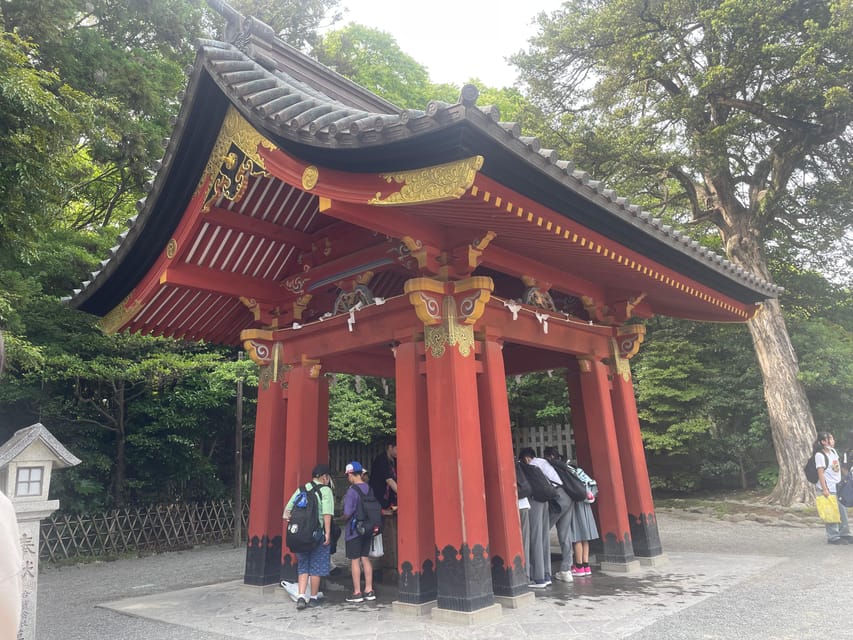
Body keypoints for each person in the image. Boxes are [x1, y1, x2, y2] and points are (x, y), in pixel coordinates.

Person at [282, 463, 335, 609]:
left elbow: (287, 511)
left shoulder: (301, 489)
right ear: (325, 477)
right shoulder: (325, 491)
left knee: (303, 565)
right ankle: (313, 597)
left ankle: (300, 597)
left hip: (300, 535)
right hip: (317, 534)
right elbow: (327, 514)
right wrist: (328, 533)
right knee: (316, 567)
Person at [519, 446, 573, 585]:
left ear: (525, 458)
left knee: (536, 536)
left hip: (546, 500)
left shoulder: (531, 465)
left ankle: (537, 576)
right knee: (560, 535)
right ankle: (559, 570)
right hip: (562, 497)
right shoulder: (543, 462)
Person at [544, 447, 599, 577]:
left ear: (550, 456)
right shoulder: (574, 469)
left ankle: (578, 565)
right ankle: (584, 566)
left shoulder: (553, 466)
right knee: (581, 537)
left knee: (577, 536)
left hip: (575, 506)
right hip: (584, 503)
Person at [341, 461, 377, 603]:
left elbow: (348, 512)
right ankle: (369, 590)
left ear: (351, 474)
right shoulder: (369, 488)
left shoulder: (352, 491)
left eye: (348, 475)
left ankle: (357, 592)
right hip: (367, 528)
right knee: (365, 558)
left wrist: (342, 517)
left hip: (354, 531)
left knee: (355, 561)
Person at [814, 432, 852, 545]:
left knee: (842, 510)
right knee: (830, 512)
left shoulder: (833, 452)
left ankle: (844, 533)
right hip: (828, 488)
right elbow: (820, 473)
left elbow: (837, 468)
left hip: (838, 486)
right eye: (829, 439)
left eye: (832, 439)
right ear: (823, 442)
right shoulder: (819, 455)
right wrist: (824, 489)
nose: (832, 441)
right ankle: (833, 536)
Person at [369, 437, 398, 511]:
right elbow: (389, 480)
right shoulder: (381, 460)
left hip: (391, 499)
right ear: (390, 447)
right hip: (379, 498)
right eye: (397, 449)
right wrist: (403, 495)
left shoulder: (395, 460)